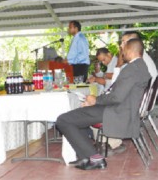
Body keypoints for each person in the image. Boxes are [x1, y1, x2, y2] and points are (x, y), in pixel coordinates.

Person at [56, 39, 151, 170]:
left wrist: (95, 100)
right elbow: (117, 94)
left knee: (63, 120)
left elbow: (116, 96)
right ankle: (88, 156)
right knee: (78, 117)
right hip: (120, 108)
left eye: (123, 49)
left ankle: (94, 158)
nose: (121, 52)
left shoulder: (132, 69)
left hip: (117, 111)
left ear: (130, 50)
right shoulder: (141, 66)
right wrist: (95, 101)